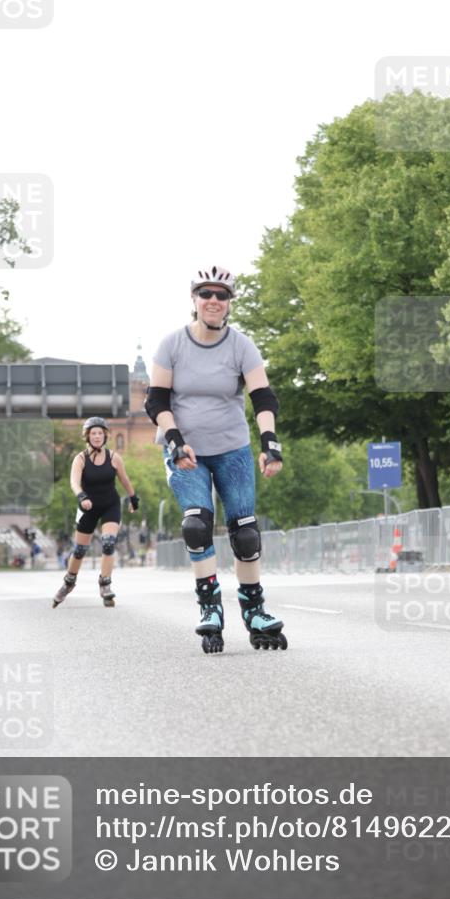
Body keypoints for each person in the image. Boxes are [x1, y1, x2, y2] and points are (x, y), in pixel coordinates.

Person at [145, 265, 287, 654]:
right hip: (185, 450)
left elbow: (263, 397)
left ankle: (254, 609)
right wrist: (174, 439)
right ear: (194, 299)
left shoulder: (242, 346)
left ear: (229, 303)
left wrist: (270, 441)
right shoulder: (172, 344)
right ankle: (210, 608)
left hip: (233, 448)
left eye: (221, 295)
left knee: (245, 532)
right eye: (205, 293)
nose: (213, 300)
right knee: (196, 525)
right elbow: (155, 400)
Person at [52, 417, 139, 608]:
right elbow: (74, 482)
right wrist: (82, 496)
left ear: (105, 435)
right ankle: (69, 582)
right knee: (80, 550)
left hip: (110, 505)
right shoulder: (80, 458)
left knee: (108, 543)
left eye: (100, 433)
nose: (97, 436)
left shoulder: (114, 457)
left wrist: (133, 498)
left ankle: (105, 584)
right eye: (94, 433)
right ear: (88, 436)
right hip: (87, 506)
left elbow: (124, 480)